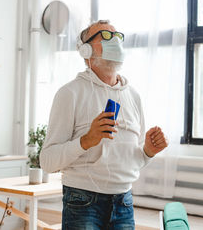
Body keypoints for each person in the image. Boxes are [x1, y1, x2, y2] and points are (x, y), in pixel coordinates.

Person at [40, 20, 168, 230]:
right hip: (82, 201)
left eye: (117, 36)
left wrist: (148, 151)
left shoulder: (133, 96)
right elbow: (47, 161)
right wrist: (86, 141)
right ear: (85, 50)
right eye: (106, 36)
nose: (115, 40)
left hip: (124, 202)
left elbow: (132, 161)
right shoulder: (69, 94)